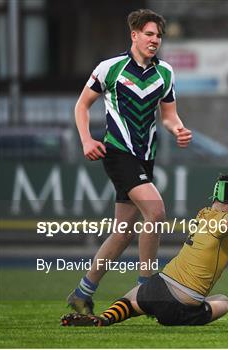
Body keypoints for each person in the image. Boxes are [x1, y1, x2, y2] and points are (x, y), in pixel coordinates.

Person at [68, 9, 193, 315]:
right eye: (149, 34)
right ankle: (147, 286)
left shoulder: (165, 73)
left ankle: (82, 292)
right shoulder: (110, 68)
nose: (155, 40)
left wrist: (178, 128)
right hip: (118, 152)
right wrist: (86, 139)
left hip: (145, 157)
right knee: (156, 210)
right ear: (134, 35)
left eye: (159, 36)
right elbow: (82, 106)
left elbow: (169, 115)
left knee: (123, 231)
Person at [61, 176, 228, 327]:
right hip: (183, 302)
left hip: (157, 286)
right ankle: (168, 314)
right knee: (223, 301)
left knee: (133, 302)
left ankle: (105, 318)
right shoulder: (221, 223)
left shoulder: (203, 218)